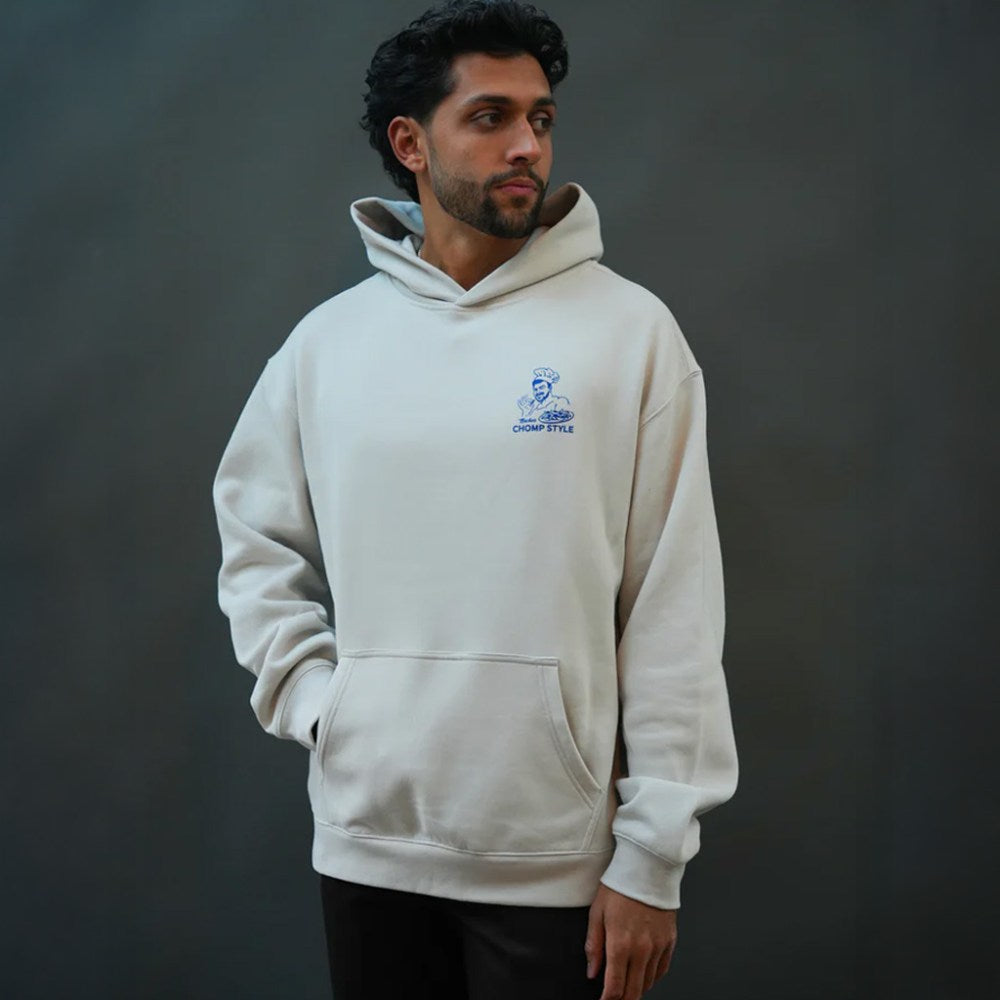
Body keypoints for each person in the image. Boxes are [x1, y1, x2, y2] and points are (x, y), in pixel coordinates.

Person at [211, 1, 738, 997]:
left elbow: (674, 603)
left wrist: (652, 853)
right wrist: (320, 705)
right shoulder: (328, 345)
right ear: (411, 144)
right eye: (490, 117)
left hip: (553, 857)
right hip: (367, 841)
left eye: (540, 118)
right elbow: (254, 538)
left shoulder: (630, 335)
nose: (526, 145)